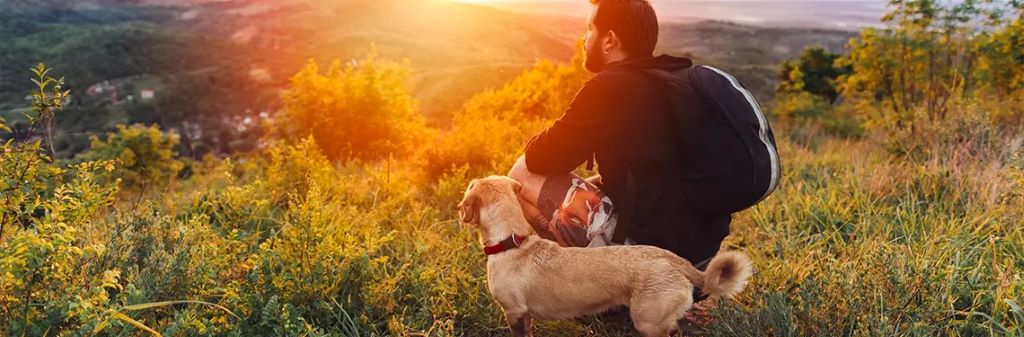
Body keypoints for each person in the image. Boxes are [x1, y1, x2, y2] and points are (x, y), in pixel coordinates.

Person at [506, 0, 733, 323]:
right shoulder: (675, 79)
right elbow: (652, 172)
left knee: (520, 173)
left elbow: (539, 157)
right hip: (698, 263)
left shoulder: (610, 86)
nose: (584, 39)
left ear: (609, 40)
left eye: (589, 30)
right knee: (589, 185)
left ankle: (588, 295)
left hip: (648, 264)